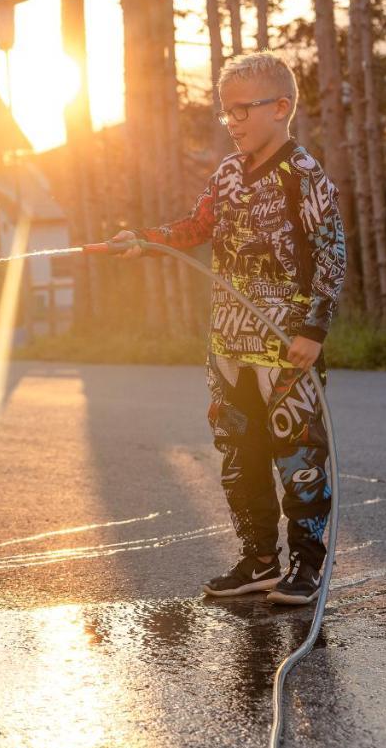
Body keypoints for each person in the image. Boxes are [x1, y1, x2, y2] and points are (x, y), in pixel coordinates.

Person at [109, 51, 346, 605]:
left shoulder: (304, 176)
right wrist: (144, 239)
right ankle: (259, 559)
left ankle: (307, 568)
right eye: (226, 113)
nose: (233, 121)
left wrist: (313, 330)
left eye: (243, 110)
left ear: (281, 108)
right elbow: (196, 226)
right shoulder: (228, 175)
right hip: (229, 347)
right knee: (240, 459)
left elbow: (331, 254)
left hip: (286, 350)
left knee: (300, 459)